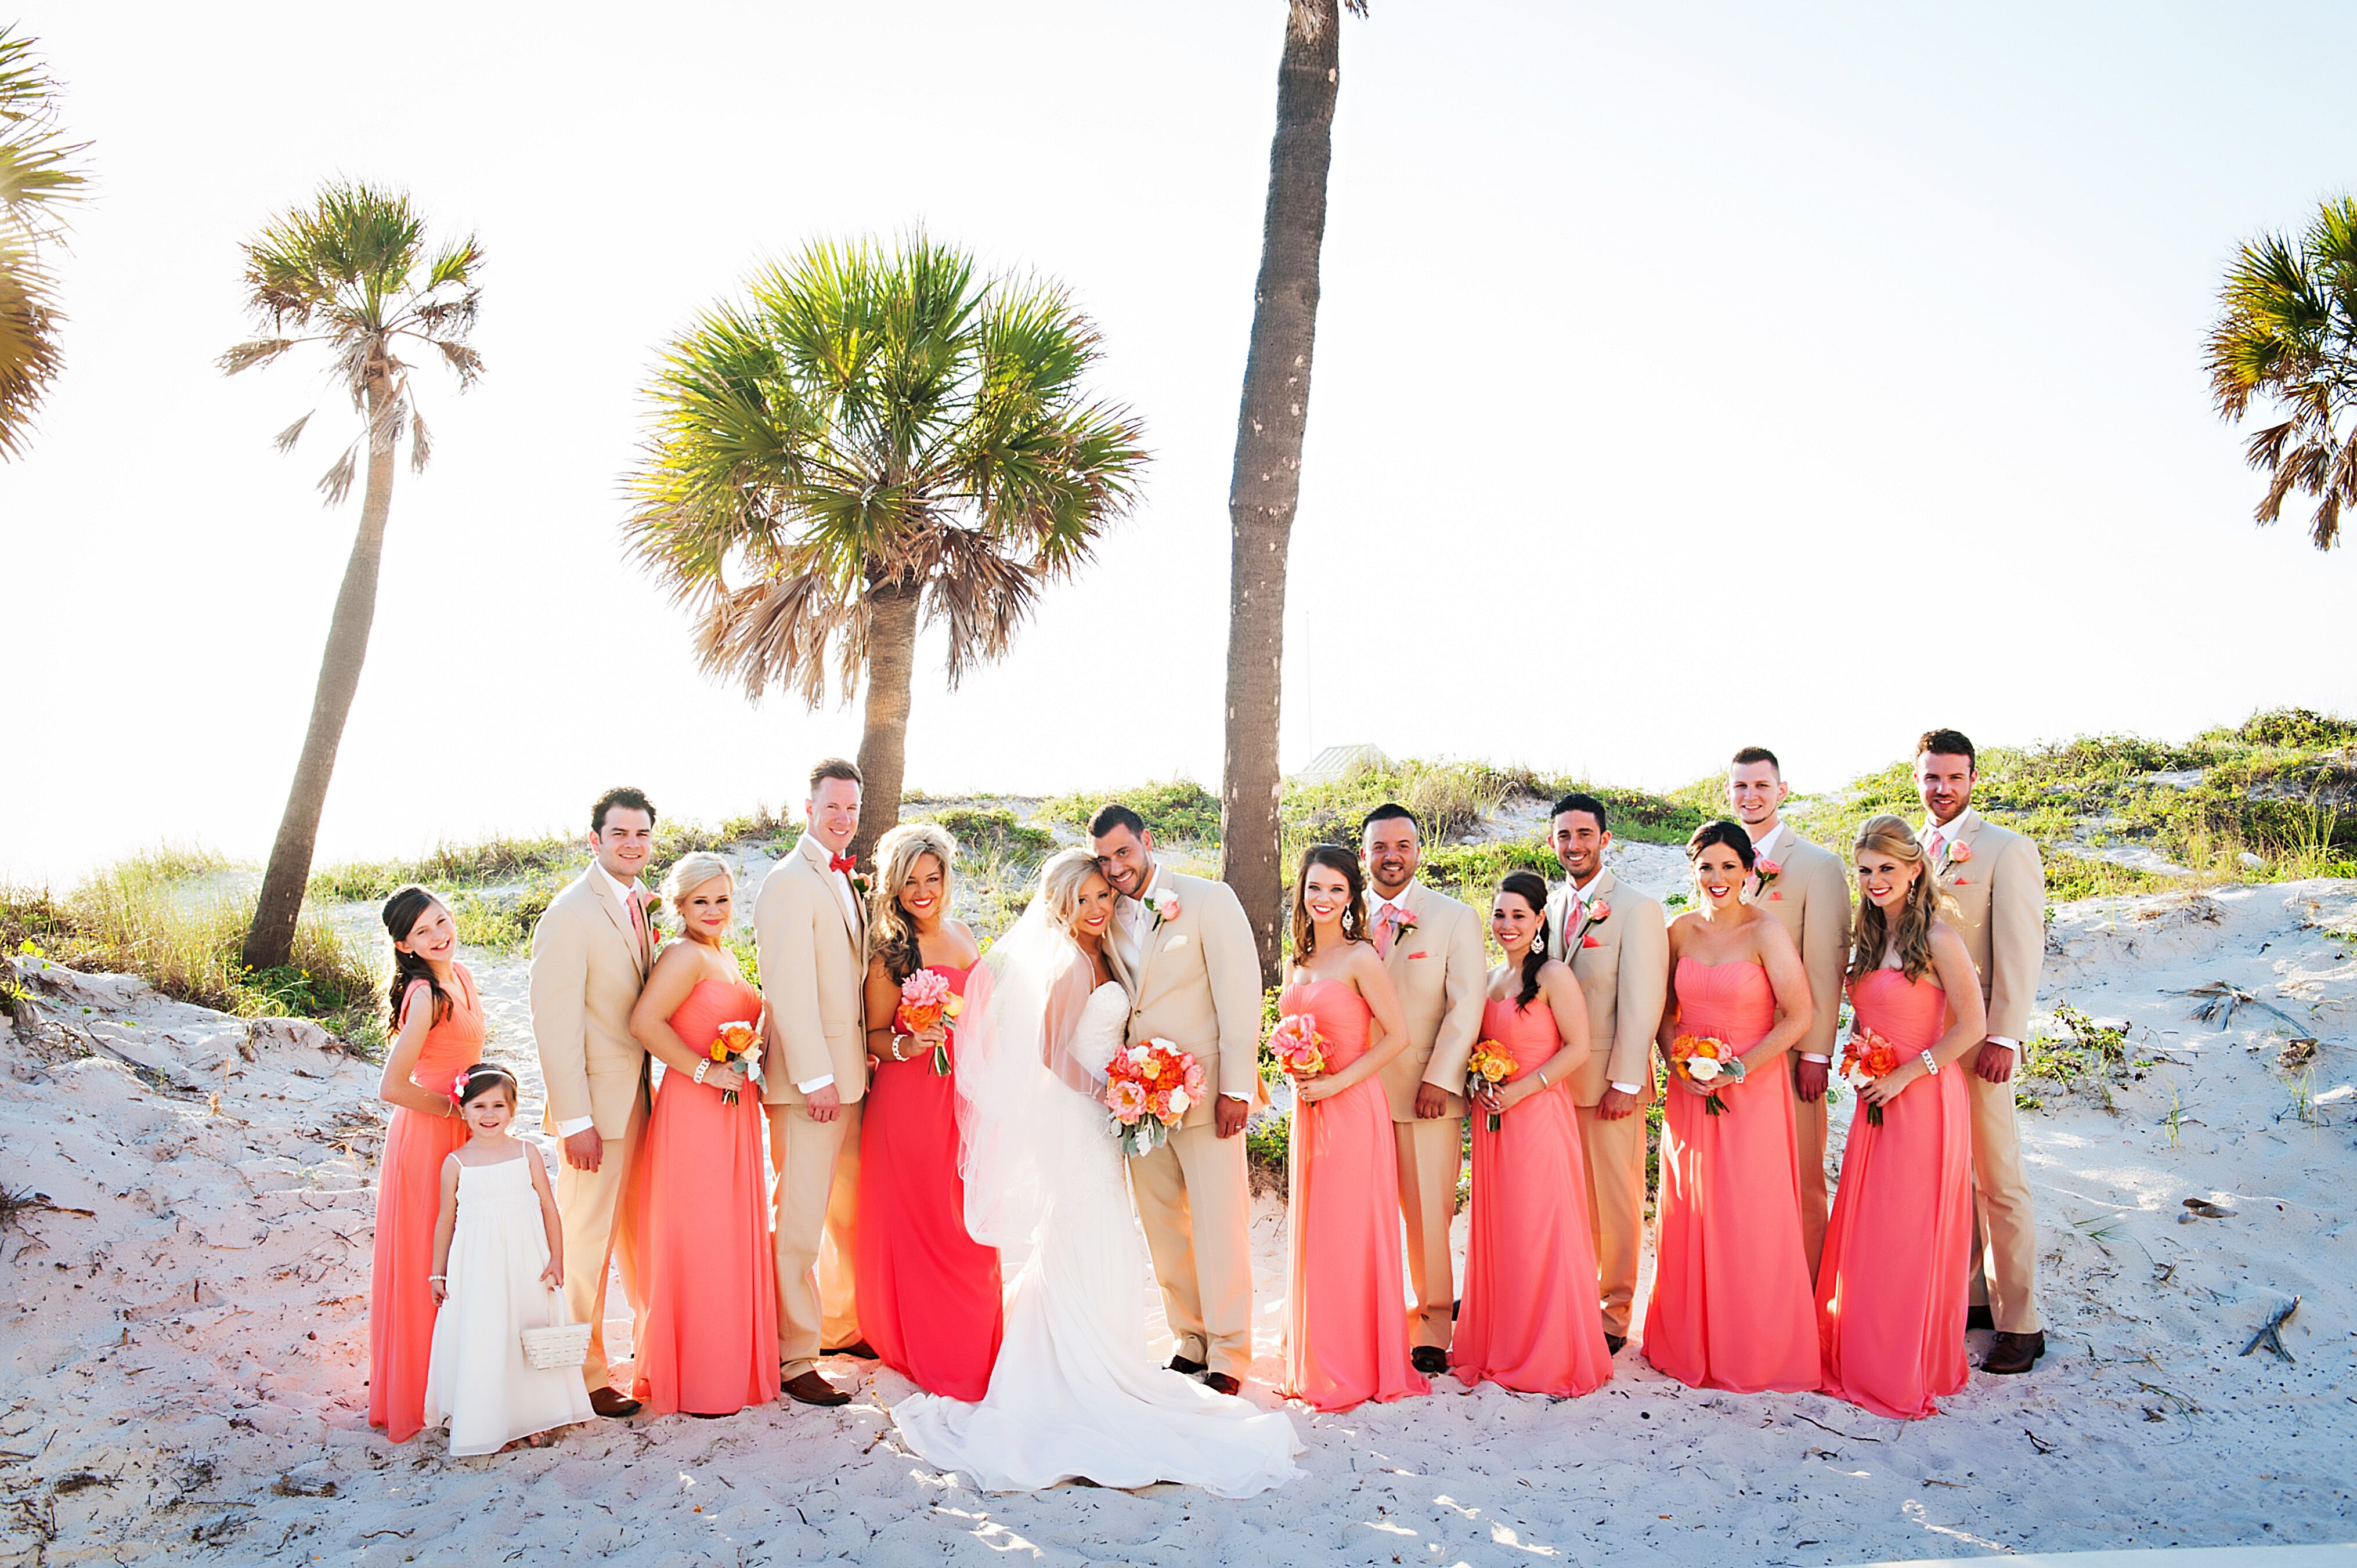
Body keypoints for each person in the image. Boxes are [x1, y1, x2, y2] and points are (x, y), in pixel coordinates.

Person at [891, 850, 1303, 1495]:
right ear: (1060, 902)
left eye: (1101, 896)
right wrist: (1113, 1092)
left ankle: (1108, 1354)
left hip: (1103, 1114)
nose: (1095, 907)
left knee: (1103, 1228)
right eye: (1082, 898)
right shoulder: (1066, 965)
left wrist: (1129, 1088)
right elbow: (1053, 1054)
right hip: (1081, 1114)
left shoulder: (1105, 952)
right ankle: (1074, 1366)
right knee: (1085, 1227)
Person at [1816, 816, 1987, 1419]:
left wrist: (1905, 1074)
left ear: (1915, 868)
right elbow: (1868, 1017)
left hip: (1922, 1101)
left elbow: (1972, 1026)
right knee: (1870, 1230)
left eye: (1886, 868)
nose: (1874, 880)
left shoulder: (1939, 937)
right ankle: (1863, 1350)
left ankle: (1901, 1360)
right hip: (1875, 1099)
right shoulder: (1869, 937)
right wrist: (1861, 1058)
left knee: (1905, 1233)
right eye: (1864, 870)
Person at [1088, 805, 1262, 1396]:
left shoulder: (1209, 900)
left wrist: (1236, 1087)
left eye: (1123, 854)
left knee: (1220, 1221)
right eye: (1105, 860)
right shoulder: (1106, 916)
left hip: (1208, 1091)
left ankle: (1231, 1352)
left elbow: (1241, 995)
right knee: (1163, 1223)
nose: (1115, 869)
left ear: (1146, 842)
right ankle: (1189, 1339)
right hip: (1138, 1098)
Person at [1641, 819, 1821, 1393]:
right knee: (1692, 1207)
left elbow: (1798, 1015)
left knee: (1749, 1212)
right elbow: (1663, 1012)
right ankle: (1689, 1341)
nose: (1716, 878)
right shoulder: (1677, 931)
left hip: (1751, 1089)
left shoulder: (1766, 931)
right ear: (1691, 872)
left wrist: (1736, 1069)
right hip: (1690, 1092)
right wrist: (1678, 1062)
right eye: (1705, 867)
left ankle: (1754, 1346)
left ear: (1748, 871)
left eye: (1727, 866)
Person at [626, 853, 780, 1417]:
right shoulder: (683, 955)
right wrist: (702, 1069)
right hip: (695, 1108)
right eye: (700, 901)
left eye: (720, 899)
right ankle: (698, 1375)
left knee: (728, 1231)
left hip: (732, 1108)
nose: (713, 910)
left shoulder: (721, 954)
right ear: (681, 905)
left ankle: (727, 1364)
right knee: (702, 1233)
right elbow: (644, 1022)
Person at [1915, 728, 2047, 1375]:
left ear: (1972, 779)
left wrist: (2004, 1033)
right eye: (1930, 776)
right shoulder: (1908, 850)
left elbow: (2021, 948)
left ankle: (2021, 1320)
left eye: (1953, 777)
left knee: (1998, 1175)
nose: (1941, 788)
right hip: (1923, 1039)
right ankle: (1974, 1297)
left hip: (1979, 1036)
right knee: (1951, 1170)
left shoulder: (2003, 849)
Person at [1276, 844, 1426, 1410]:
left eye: (1336, 889)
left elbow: (1397, 1036)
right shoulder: (1297, 961)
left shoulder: (1361, 957)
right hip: (1308, 1110)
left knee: (1349, 1230)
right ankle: (1318, 1353)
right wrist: (1295, 1067)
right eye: (1315, 887)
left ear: (1350, 898)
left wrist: (1336, 1083)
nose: (1324, 898)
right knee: (1318, 1230)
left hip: (1351, 1104)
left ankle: (1357, 1361)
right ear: (1302, 891)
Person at [856, 822, 1003, 1400]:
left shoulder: (965, 933)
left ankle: (976, 1339)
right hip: (911, 1102)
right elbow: (871, 1034)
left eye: (932, 877)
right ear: (894, 887)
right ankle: (929, 1345)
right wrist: (905, 1044)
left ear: (946, 878)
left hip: (966, 1097)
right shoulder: (891, 952)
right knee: (931, 1223)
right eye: (911, 880)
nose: (923, 890)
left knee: (971, 1225)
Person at [1452, 872, 1612, 1398]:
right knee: (1504, 1230)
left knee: (1540, 1229)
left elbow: (1578, 1047)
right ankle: (1502, 1342)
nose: (1507, 925)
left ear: (1540, 920)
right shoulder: (1492, 980)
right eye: (1500, 914)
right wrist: (1478, 1077)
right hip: (1493, 1122)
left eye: (1519, 915)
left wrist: (1523, 1090)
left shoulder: (1553, 976)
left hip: (1539, 1118)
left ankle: (1548, 1351)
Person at [529, 786, 660, 1417]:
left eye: (640, 834)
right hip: (593, 1114)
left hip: (636, 1100)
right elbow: (553, 1027)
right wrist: (576, 1120)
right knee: (583, 1246)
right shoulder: (569, 913)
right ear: (594, 839)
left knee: (632, 1239)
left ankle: (636, 1356)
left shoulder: (636, 903)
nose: (631, 844)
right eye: (618, 834)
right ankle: (575, 1375)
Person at [755, 759, 874, 1407]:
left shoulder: (838, 877)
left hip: (849, 1079)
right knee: (798, 1220)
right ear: (808, 807)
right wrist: (816, 1077)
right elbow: (788, 990)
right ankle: (793, 1354)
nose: (842, 818)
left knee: (839, 1214)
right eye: (832, 806)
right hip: (812, 1085)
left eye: (852, 808)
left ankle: (835, 1326)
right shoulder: (788, 881)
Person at [1360, 805, 1487, 1377]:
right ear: (1363, 852)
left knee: (1426, 1214)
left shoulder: (1453, 917)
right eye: (1379, 846)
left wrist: (1440, 1076)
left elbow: (1466, 1006)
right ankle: (1370, 1317)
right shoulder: (1338, 910)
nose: (1391, 856)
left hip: (1422, 1093)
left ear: (1418, 849)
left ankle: (1432, 1322)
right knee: (1360, 1212)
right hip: (1352, 1094)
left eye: (1402, 845)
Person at [1541, 793, 1669, 1354]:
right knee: (1566, 1196)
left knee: (1615, 1199)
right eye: (1564, 835)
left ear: (1604, 838)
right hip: (1554, 1081)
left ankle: (1613, 1313)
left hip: (1609, 1080)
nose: (1574, 845)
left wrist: (1624, 1080)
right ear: (1552, 842)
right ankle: (1569, 1296)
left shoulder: (1637, 908)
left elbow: (1643, 998)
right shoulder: (1545, 904)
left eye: (1584, 834)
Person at [421, 1064, 594, 1455]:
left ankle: (531, 1417)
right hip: (478, 1268)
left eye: (499, 1105)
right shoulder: (457, 1163)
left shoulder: (525, 1152)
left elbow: (550, 1207)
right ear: (462, 1110)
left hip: (526, 1262)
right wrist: (438, 1273)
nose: (489, 1114)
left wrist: (557, 1258)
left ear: (513, 1109)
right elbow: (446, 1220)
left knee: (525, 1335)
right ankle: (492, 1420)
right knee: (488, 1336)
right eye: (479, 1105)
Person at [1726, 746, 1850, 1278]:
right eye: (1740, 787)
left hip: (1792, 1045)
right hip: (1733, 1050)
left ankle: (1808, 1289)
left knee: (1800, 1176)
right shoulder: (1718, 860)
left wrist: (1816, 1052)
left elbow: (1826, 966)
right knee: (1747, 1178)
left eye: (1760, 786)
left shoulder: (1818, 867)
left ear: (1781, 791)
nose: (1750, 797)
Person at [368, 887, 482, 1443]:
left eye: (441, 920)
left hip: (464, 1130)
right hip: (427, 1136)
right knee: (429, 1256)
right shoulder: (425, 995)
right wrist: (452, 1111)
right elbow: (392, 1085)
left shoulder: (459, 975)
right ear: (404, 945)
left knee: (464, 1252)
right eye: (423, 932)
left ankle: (459, 1383)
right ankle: (420, 1392)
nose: (439, 934)